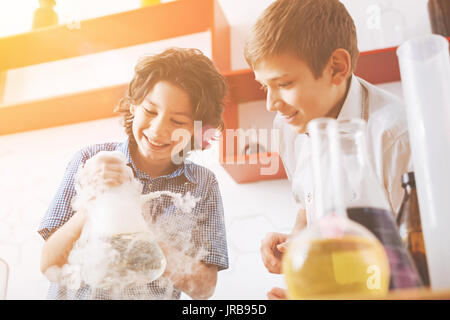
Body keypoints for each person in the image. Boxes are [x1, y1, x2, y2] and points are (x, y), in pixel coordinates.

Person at [244, 0, 412, 299]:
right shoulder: (289, 125)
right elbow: (307, 208)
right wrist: (298, 241)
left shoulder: (395, 136)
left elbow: (419, 263)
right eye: (264, 87)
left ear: (337, 67)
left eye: (283, 83)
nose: (271, 103)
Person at [38, 48, 229, 300]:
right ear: (133, 106)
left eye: (178, 122)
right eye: (150, 111)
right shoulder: (89, 160)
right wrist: (92, 203)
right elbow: (49, 263)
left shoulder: (202, 184)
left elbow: (204, 288)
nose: (159, 130)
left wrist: (139, 227)